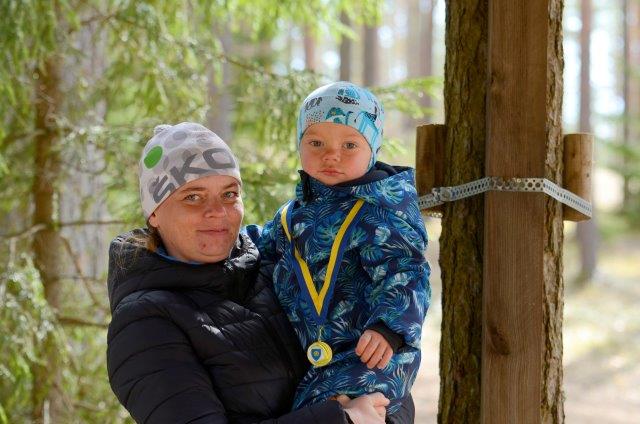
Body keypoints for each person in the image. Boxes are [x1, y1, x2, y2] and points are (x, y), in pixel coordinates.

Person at [106, 122, 407, 423]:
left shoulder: (280, 265)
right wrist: (340, 419)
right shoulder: (144, 322)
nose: (218, 211)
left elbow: (388, 370)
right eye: (193, 197)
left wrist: (380, 412)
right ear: (154, 212)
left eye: (229, 194)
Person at [251, 82, 431, 415]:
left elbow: (405, 270)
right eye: (316, 142)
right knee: (312, 409)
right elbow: (261, 248)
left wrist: (389, 327)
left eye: (349, 144)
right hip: (316, 355)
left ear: (372, 149)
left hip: (372, 352)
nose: (331, 155)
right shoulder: (290, 216)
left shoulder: (382, 210)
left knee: (334, 407)